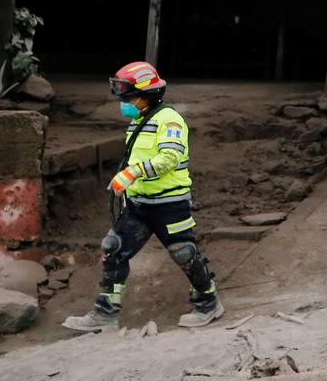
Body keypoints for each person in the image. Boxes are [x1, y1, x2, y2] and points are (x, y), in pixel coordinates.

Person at [63, 62, 222, 331]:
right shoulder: (138, 120)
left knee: (184, 252)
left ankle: (208, 303)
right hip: (138, 205)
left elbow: (169, 158)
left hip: (170, 204)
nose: (124, 103)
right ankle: (105, 314)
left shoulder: (169, 120)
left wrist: (133, 173)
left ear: (146, 95)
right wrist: (129, 181)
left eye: (128, 98)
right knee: (113, 249)